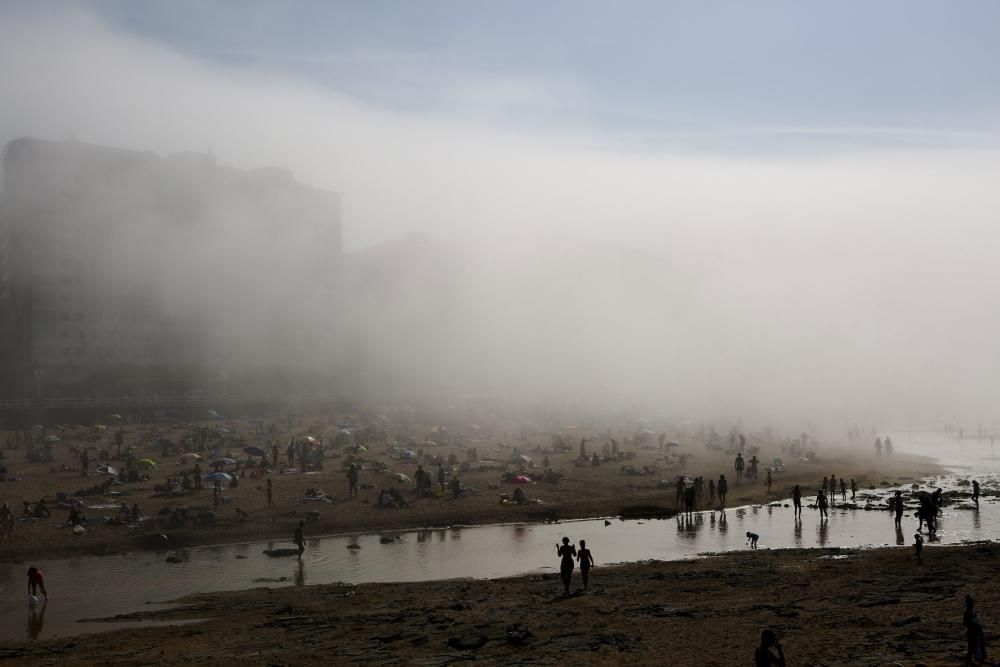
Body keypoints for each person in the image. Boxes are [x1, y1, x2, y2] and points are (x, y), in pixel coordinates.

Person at [963, 594, 988, 665]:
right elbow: (964, 623)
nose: (972, 604)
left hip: (975, 631)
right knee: (971, 647)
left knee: (975, 646)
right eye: (971, 602)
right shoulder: (967, 612)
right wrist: (972, 622)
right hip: (971, 632)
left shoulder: (972, 611)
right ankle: (969, 661)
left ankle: (973, 660)